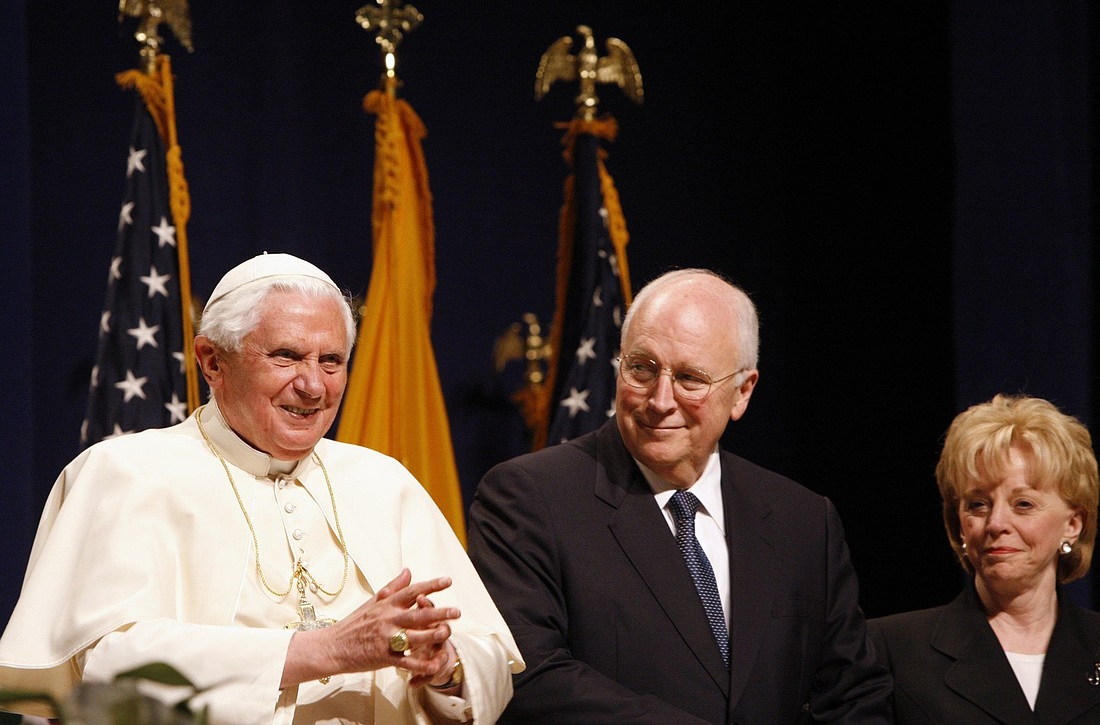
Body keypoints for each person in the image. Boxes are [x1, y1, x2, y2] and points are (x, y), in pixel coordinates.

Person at [0, 252, 523, 724]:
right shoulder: (126, 473)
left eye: (331, 360)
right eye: (287, 356)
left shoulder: (386, 482)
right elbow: (110, 669)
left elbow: (491, 656)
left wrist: (446, 669)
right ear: (212, 361)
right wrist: (322, 651)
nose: (314, 385)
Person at [466, 268, 892, 724]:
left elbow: (852, 697)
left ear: (742, 392)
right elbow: (529, 675)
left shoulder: (803, 521)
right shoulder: (530, 497)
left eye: (690, 378)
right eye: (642, 369)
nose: (660, 400)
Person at [868, 394, 1100, 723]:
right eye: (978, 504)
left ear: (1073, 524)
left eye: (1023, 504)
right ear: (959, 525)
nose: (996, 523)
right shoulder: (891, 649)